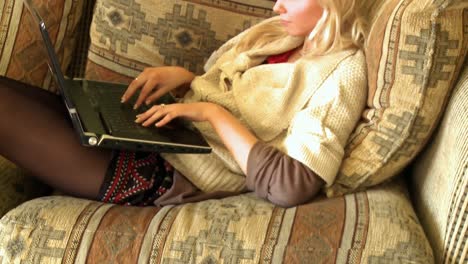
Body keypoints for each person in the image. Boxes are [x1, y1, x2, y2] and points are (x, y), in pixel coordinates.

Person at [0, 0, 368, 208]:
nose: (276, 5)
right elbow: (232, 93)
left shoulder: (342, 73)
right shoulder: (279, 33)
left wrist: (210, 112)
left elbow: (294, 185)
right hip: (163, 136)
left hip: (170, 176)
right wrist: (187, 79)